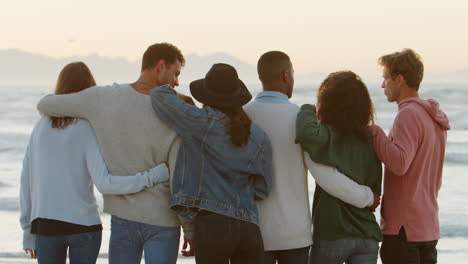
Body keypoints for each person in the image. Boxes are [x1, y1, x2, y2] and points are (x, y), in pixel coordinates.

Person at [36, 43, 193, 264]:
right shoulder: (177, 108)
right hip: (163, 220)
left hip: (124, 219)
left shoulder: (104, 97)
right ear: (160, 66)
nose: (177, 82)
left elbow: (45, 104)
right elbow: (180, 173)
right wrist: (190, 228)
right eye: (175, 73)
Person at [243, 51, 379, 264]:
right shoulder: (299, 119)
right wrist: (367, 197)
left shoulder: (242, 116)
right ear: (286, 75)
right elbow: (326, 176)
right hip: (295, 234)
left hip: (253, 231)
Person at [150, 63, 273, 264]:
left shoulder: (199, 122)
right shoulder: (259, 137)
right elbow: (263, 190)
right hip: (249, 227)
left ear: (206, 97)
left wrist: (185, 99)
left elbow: (158, 95)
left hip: (213, 225)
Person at [370, 49, 450, 264]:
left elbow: (400, 163)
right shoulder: (433, 118)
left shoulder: (408, 114)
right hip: (427, 226)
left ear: (400, 79)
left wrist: (376, 133)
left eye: (386, 78)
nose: (382, 85)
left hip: (404, 229)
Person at [296, 71, 383, 264]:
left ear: (327, 103)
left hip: (332, 233)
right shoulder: (370, 139)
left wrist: (308, 108)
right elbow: (376, 188)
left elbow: (305, 133)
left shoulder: (327, 136)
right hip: (367, 234)